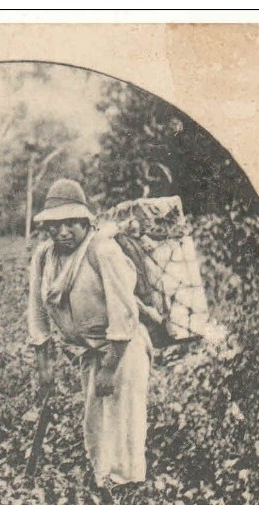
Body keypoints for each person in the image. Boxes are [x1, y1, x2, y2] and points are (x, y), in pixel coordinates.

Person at [27, 179, 151, 488]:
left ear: (85, 221)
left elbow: (124, 313)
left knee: (124, 421)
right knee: (96, 423)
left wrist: (110, 368)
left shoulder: (102, 251)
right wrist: (44, 367)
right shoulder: (45, 257)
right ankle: (103, 484)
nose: (62, 232)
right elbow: (37, 312)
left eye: (70, 223)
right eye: (55, 225)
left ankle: (129, 492)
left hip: (122, 350)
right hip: (89, 351)